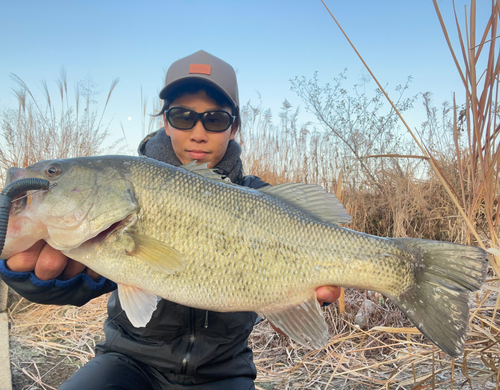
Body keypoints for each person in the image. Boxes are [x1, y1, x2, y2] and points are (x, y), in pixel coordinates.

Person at [0, 50, 340, 390]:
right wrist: (38, 280)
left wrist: (295, 307)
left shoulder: (262, 198)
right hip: (128, 362)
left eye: (216, 119)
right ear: (165, 121)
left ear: (234, 127)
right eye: (182, 116)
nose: (198, 132)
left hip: (224, 372)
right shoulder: (120, 202)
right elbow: (77, 280)